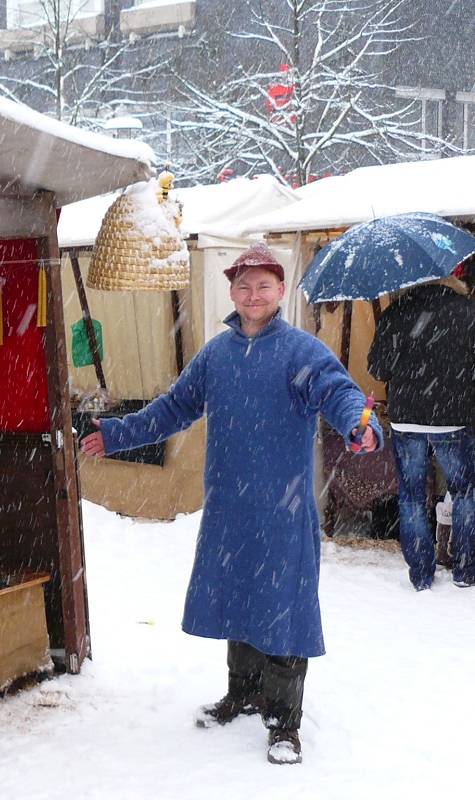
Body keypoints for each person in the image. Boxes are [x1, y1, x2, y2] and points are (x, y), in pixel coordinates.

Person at [80, 243, 380, 766]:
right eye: (243, 286)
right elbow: (173, 409)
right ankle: (242, 693)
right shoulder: (216, 355)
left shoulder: (302, 352)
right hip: (230, 509)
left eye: (263, 285)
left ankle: (284, 725)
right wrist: (116, 434)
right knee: (239, 598)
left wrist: (362, 424)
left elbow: (340, 393)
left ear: (281, 291)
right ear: (232, 293)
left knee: (284, 612)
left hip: (283, 514)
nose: (253, 294)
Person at [367, 273, 475, 591]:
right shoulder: (467, 311)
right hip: (454, 417)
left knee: (412, 498)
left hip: (406, 420)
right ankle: (465, 570)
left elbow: (377, 368)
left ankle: (421, 575)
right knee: (467, 494)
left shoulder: (395, 311)